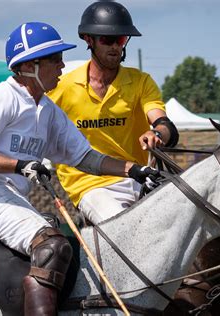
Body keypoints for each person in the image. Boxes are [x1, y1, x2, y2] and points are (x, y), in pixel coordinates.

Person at [0, 21, 159, 316]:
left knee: (68, 245)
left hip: (11, 197)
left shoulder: (48, 110)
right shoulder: (1, 99)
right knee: (52, 247)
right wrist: (19, 164)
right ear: (30, 65)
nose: (62, 66)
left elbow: (86, 158)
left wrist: (134, 170)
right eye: (54, 59)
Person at [48, 1, 179, 224]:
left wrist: (157, 134)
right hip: (90, 184)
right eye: (107, 40)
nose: (115, 47)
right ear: (88, 40)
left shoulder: (140, 81)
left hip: (141, 176)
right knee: (123, 227)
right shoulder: (61, 88)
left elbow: (164, 124)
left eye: (120, 40)